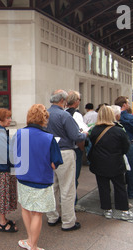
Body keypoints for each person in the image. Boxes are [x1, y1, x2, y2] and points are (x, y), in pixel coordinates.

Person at [13, 104, 62, 250]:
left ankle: (29, 240)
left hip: (23, 178)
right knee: (37, 214)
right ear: (44, 119)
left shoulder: (19, 133)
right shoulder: (49, 138)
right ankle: (33, 249)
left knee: (26, 209)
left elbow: (14, 155)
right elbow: (54, 163)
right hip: (41, 180)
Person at [45, 89, 87, 231]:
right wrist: (84, 134)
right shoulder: (64, 115)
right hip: (64, 153)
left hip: (48, 153)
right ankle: (68, 221)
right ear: (63, 101)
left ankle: (52, 217)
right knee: (67, 188)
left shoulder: (45, 114)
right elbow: (76, 136)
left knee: (52, 187)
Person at [88, 106, 133, 220]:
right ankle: (124, 211)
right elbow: (126, 147)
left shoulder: (94, 130)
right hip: (116, 162)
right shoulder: (119, 130)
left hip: (99, 163)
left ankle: (107, 210)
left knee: (103, 187)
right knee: (120, 187)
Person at [115, 96, 133, 200]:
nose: (129, 105)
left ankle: (119, 193)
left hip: (116, 146)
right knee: (131, 169)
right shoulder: (130, 117)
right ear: (124, 105)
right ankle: (132, 192)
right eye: (128, 103)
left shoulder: (113, 116)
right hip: (130, 144)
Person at [65, 91, 89, 212]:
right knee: (73, 178)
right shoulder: (76, 115)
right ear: (76, 101)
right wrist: (82, 147)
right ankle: (72, 203)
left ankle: (66, 202)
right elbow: (79, 134)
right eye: (79, 99)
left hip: (62, 149)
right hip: (73, 150)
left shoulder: (63, 113)